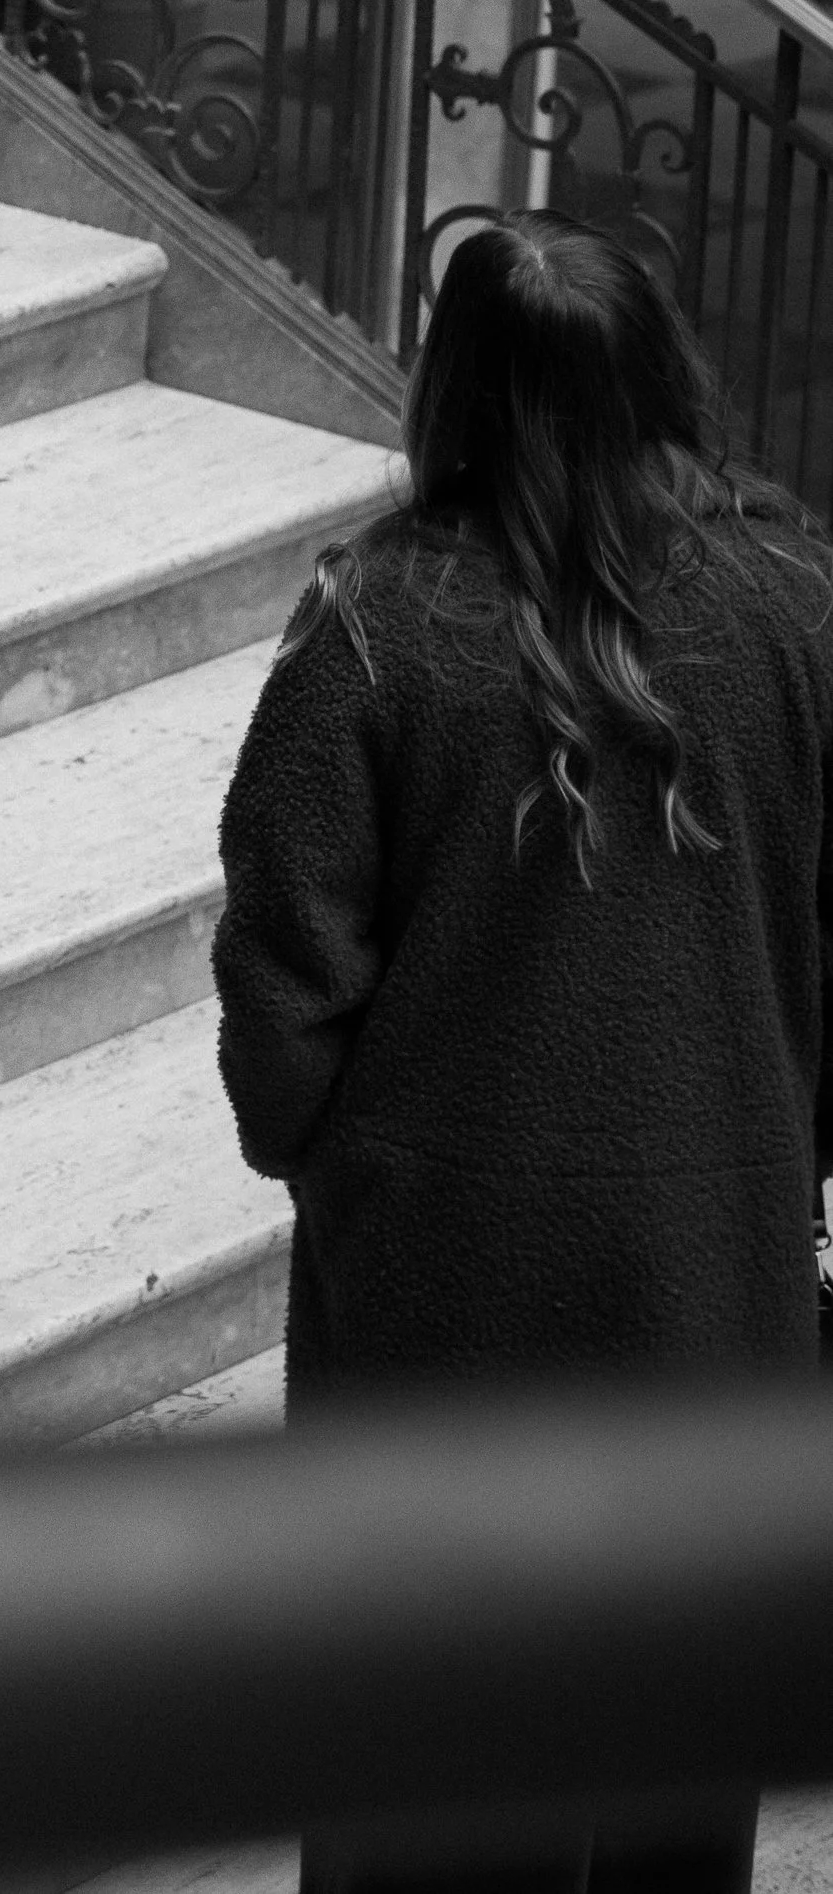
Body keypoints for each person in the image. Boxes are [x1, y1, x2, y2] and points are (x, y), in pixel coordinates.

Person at [214, 214, 833, 1894]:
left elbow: (283, 999)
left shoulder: (366, 627)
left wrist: (346, 1163)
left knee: (430, 1756)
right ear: (661, 375)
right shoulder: (796, 604)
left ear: (453, 390)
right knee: (673, 1750)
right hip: (720, 1282)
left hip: (441, 1310)